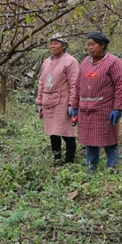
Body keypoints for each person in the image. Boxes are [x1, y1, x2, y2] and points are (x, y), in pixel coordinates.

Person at [72, 31, 122, 171]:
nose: (90, 48)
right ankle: (91, 167)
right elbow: (78, 85)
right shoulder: (85, 62)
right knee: (89, 140)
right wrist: (75, 106)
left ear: (102, 45)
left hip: (105, 110)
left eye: (93, 44)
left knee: (109, 140)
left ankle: (112, 167)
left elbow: (120, 86)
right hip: (86, 109)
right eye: (88, 45)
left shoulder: (113, 62)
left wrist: (118, 108)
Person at [35, 34, 80, 163]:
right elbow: (41, 82)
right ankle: (57, 158)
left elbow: (74, 84)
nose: (52, 46)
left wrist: (72, 103)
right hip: (48, 101)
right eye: (51, 43)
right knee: (53, 132)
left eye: (56, 43)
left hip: (63, 102)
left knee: (66, 132)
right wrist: (39, 101)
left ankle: (70, 160)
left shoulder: (71, 61)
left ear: (64, 46)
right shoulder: (46, 62)